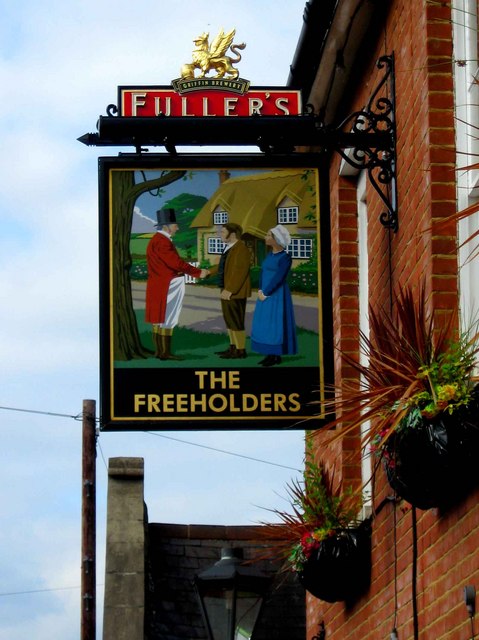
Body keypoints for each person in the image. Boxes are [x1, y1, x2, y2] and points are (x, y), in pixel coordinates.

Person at [145, 208, 208, 360]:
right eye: (175, 225)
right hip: (169, 285)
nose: (177, 228)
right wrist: (199, 272)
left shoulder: (156, 240)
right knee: (168, 318)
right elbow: (176, 263)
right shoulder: (163, 242)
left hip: (158, 283)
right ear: (166, 226)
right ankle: (165, 353)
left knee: (158, 319)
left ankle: (160, 352)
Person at [250, 224, 297, 366]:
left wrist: (267, 292)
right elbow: (263, 273)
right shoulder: (269, 255)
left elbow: (279, 277)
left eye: (268, 235)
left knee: (276, 324)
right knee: (264, 323)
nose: (265, 237)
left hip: (277, 295)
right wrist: (259, 289)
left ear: (276, 239)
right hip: (264, 293)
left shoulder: (285, 257)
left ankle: (276, 355)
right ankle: (269, 354)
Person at [211, 222, 252, 359]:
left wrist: (230, 290)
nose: (220, 234)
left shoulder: (241, 249)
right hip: (226, 290)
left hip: (235, 292)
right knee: (229, 321)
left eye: (223, 232)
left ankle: (241, 350)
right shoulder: (230, 248)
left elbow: (240, 271)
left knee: (236, 321)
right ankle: (233, 347)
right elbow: (223, 267)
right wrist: (208, 272)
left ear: (232, 234)